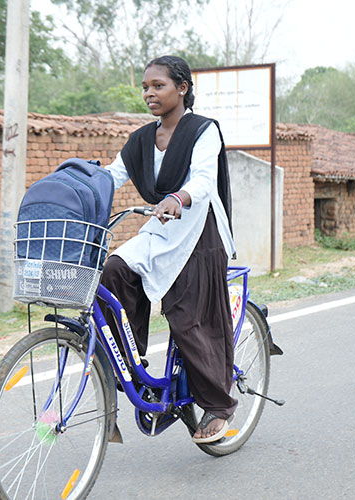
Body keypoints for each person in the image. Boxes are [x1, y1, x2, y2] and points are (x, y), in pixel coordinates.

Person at [102, 55, 237, 444]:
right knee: (114, 271)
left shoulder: (203, 131)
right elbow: (111, 176)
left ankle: (218, 405)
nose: (149, 93)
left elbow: (204, 179)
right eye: (145, 87)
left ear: (182, 88)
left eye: (158, 85)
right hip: (162, 227)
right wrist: (77, 183)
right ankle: (132, 369)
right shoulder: (142, 139)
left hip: (200, 229)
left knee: (186, 315)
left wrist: (179, 197)